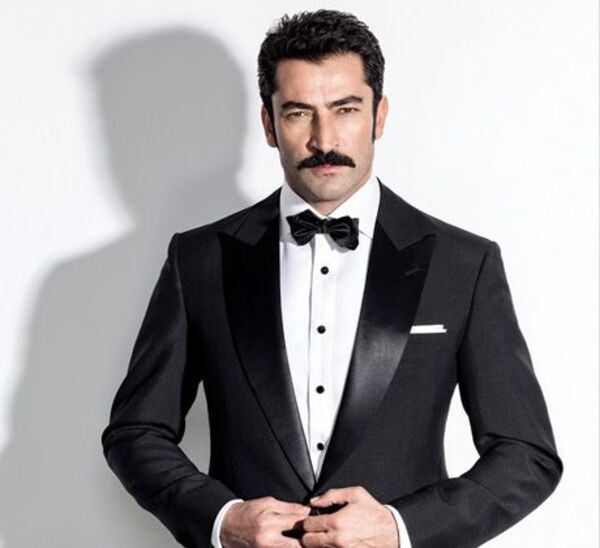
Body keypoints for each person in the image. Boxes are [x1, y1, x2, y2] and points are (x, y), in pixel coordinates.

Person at [101, 9, 562, 548]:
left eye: (346, 109)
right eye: (299, 113)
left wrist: (401, 528)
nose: (324, 139)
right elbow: (136, 432)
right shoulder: (199, 259)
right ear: (269, 124)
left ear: (379, 116)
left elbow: (526, 454)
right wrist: (222, 520)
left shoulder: (463, 264)